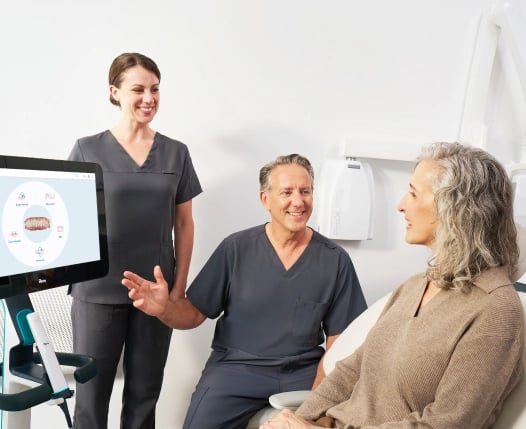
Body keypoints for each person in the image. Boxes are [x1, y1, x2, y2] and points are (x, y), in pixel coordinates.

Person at [260, 142, 525, 429]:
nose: (401, 204)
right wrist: (300, 419)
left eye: (413, 193)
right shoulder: (416, 286)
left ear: (455, 209)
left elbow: (447, 424)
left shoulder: (496, 311)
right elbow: (352, 370)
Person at [122, 153, 367, 429]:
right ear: (265, 199)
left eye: (305, 191)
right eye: (286, 192)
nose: (298, 201)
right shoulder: (236, 249)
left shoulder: (335, 260)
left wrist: (319, 396)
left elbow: (339, 341)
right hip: (235, 370)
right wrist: (164, 308)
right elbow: (193, 313)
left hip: (302, 372)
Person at [68, 52, 202, 429]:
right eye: (138, 89)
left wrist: (177, 289)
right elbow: (70, 219)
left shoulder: (176, 152)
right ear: (115, 92)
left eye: (155, 89)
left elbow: (184, 223)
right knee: (91, 400)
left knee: (144, 397)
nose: (149, 98)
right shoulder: (87, 149)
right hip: (97, 289)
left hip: (156, 292)